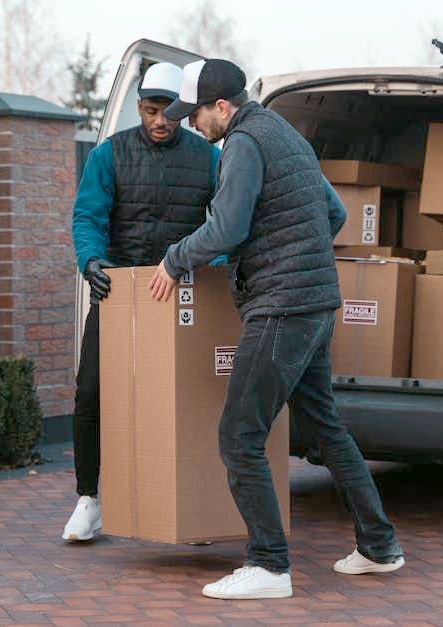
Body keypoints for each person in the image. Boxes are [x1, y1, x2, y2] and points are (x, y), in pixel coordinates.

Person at [148, 58, 405, 600]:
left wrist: (175, 259)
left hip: (282, 306)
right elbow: (332, 214)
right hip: (314, 302)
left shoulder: (242, 142)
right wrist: (293, 246)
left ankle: (268, 566)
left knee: (239, 437)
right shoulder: (286, 135)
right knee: (326, 428)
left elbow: (229, 226)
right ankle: (380, 547)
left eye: (194, 113)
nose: (190, 124)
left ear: (222, 106)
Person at [64, 62, 221, 542]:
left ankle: (191, 500)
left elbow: (226, 219)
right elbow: (87, 216)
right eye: (151, 111)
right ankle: (88, 500)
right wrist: (90, 262)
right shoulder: (109, 154)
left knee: (185, 399)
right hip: (119, 291)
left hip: (181, 292)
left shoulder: (209, 157)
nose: (160, 122)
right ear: (139, 107)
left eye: (169, 114)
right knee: (91, 392)